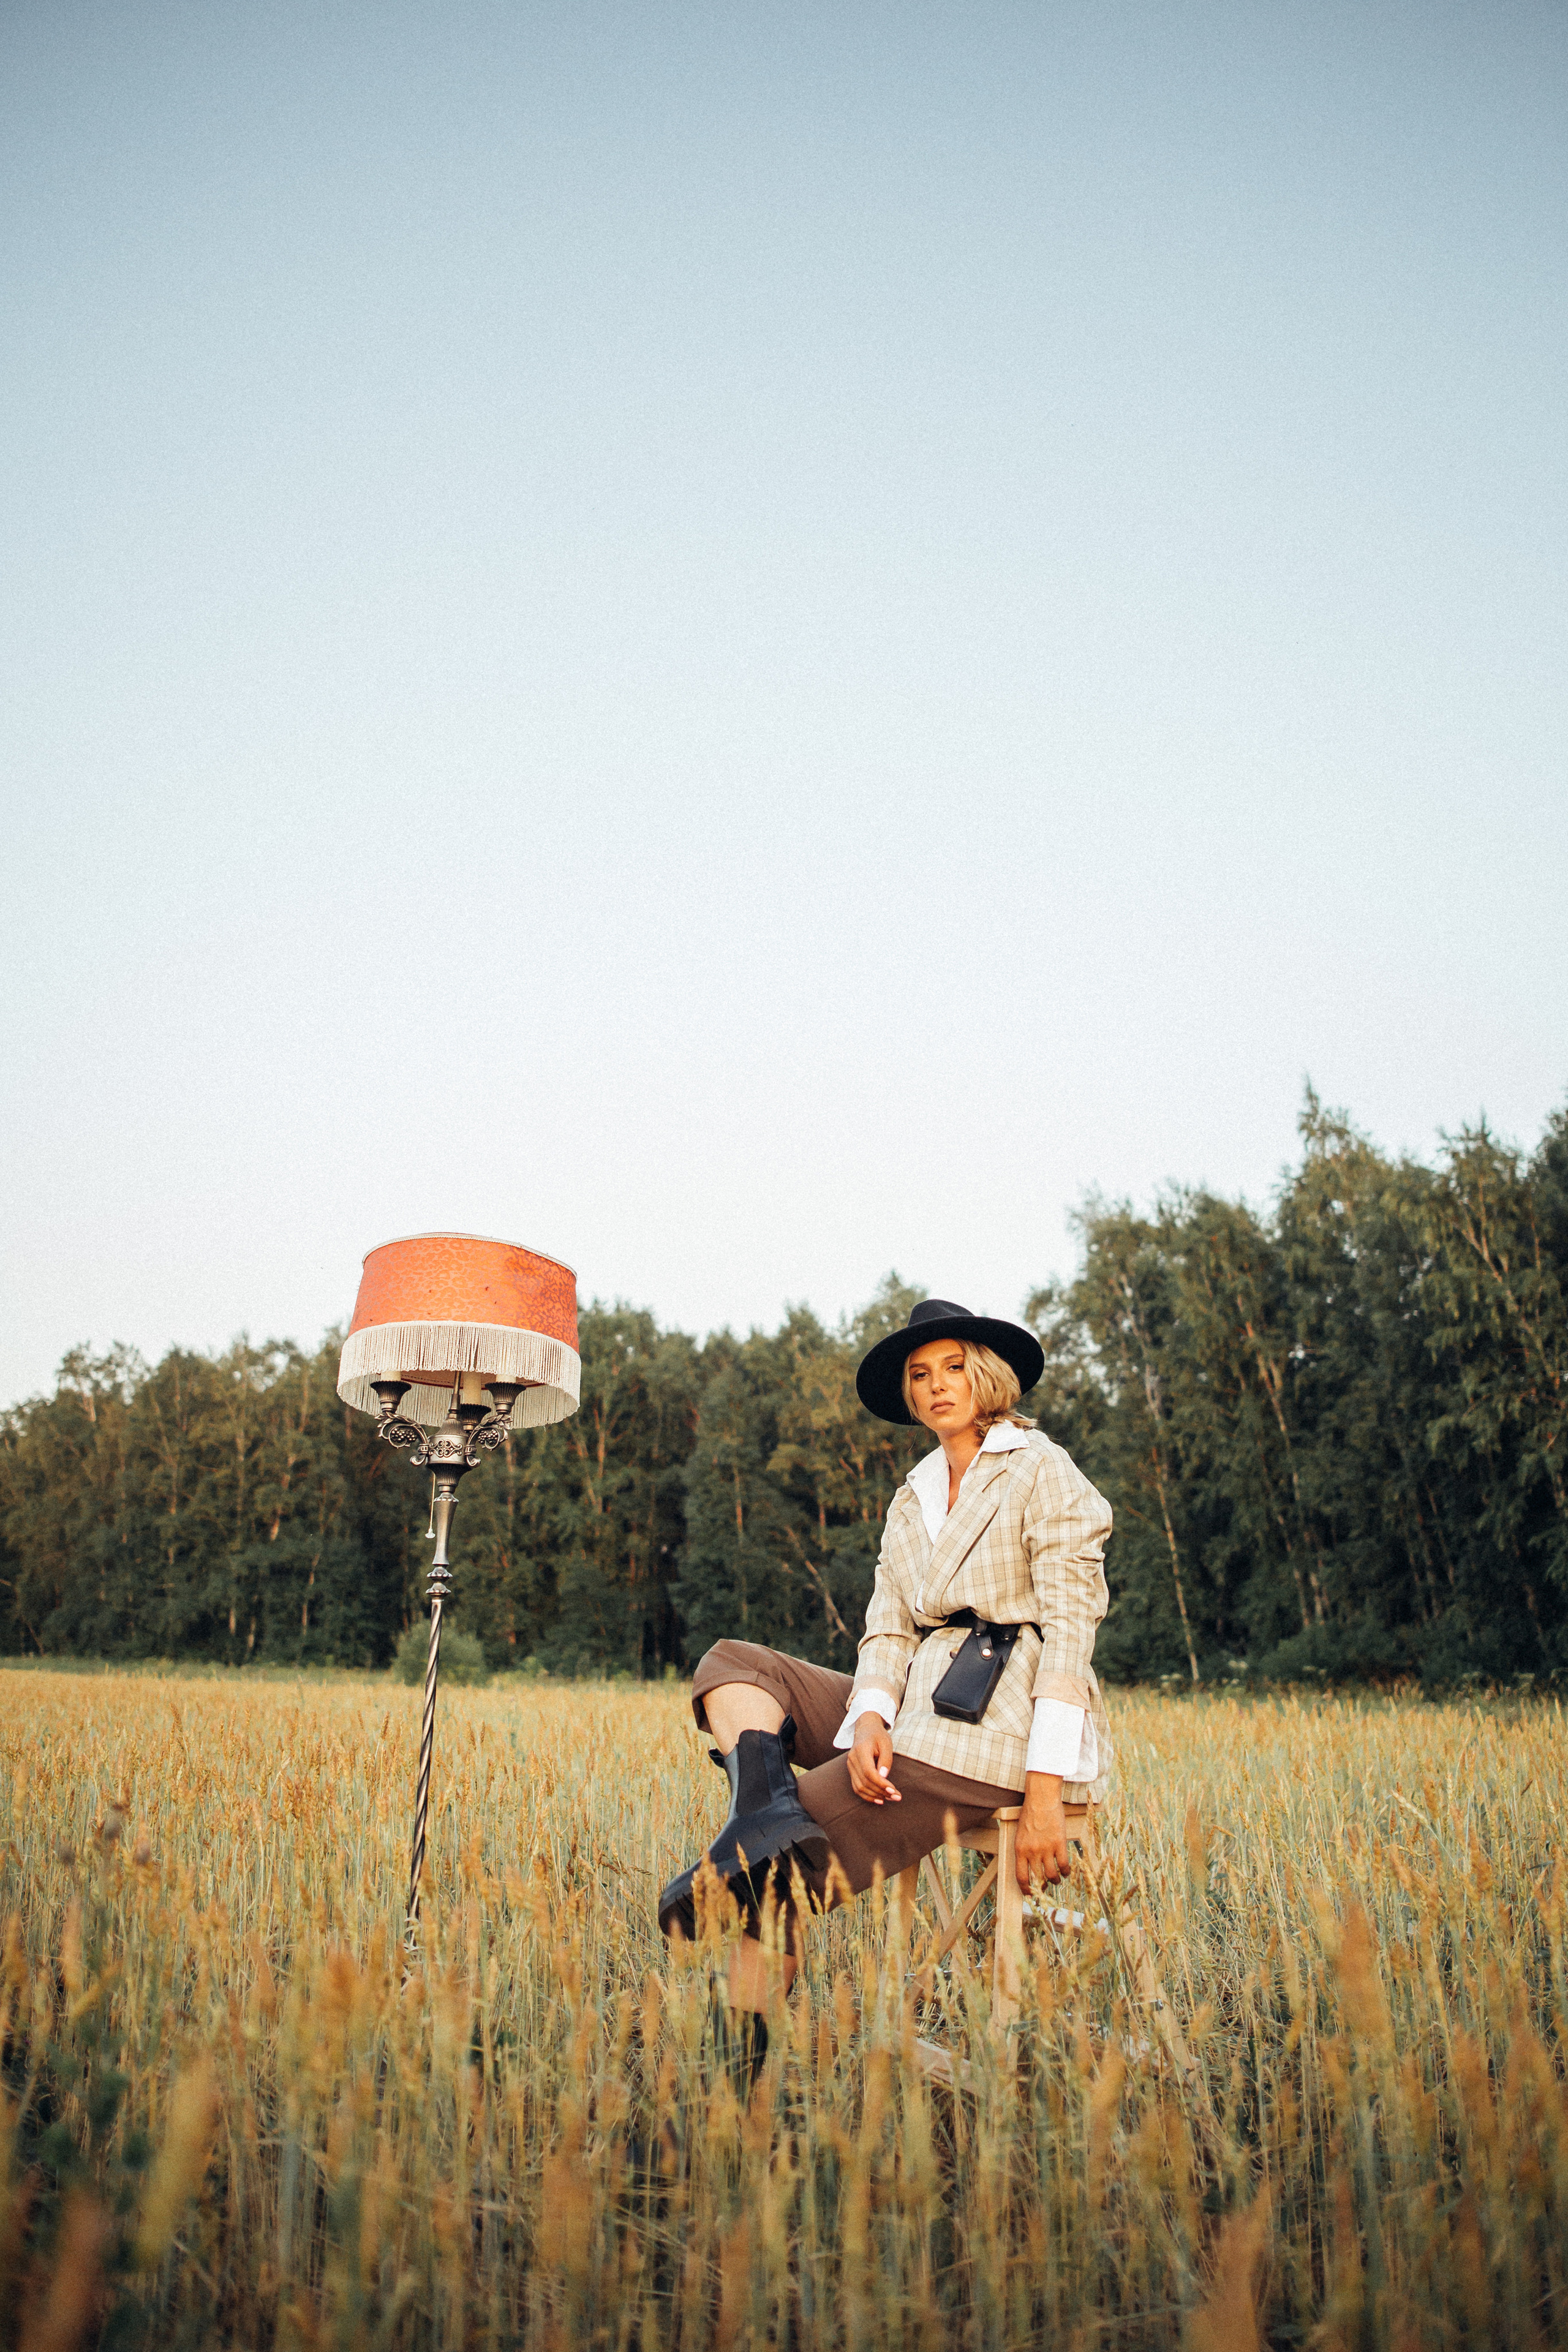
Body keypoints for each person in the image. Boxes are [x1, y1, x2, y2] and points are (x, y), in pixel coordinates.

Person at [657, 1296, 1113, 2041]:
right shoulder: (915, 1495)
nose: (936, 1385)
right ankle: (762, 1817)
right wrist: (868, 1715)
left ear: (987, 1376)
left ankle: (725, 2093)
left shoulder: (1041, 1469)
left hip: (1000, 1718)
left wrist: (1043, 1795)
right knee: (733, 1666)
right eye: (919, 1373)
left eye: (954, 1368)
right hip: (915, 1696)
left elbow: (1070, 1633)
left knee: (766, 1884)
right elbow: (887, 1627)